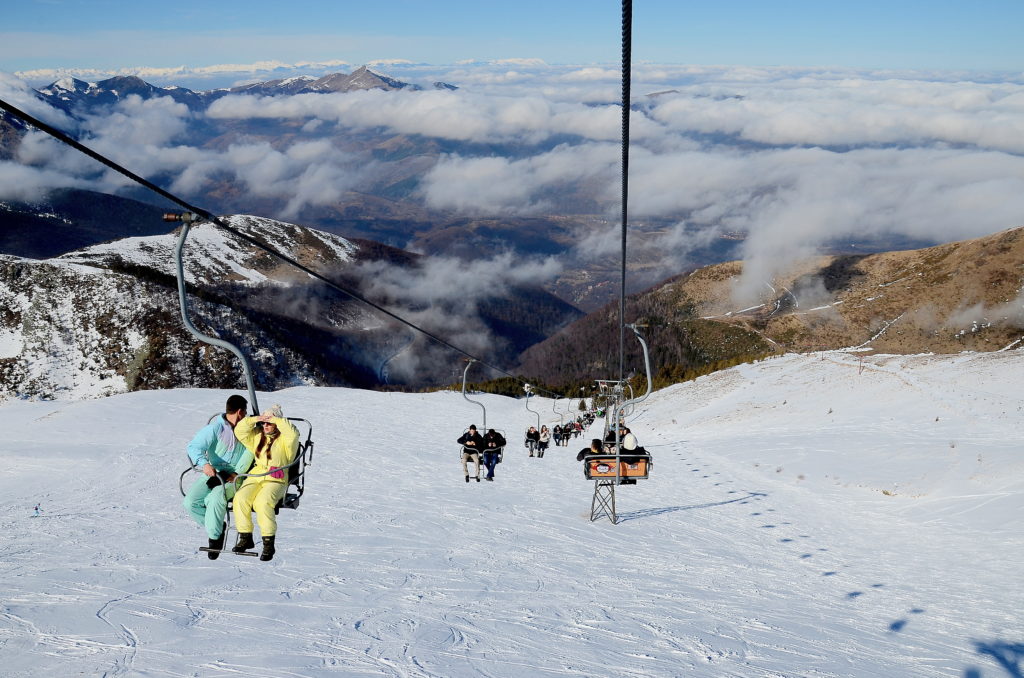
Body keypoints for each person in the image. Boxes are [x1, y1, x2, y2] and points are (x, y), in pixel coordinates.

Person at [183, 394, 253, 560]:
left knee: (215, 498)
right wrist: (205, 464)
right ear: (240, 412)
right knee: (190, 502)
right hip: (214, 472)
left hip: (234, 476)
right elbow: (194, 447)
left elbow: (251, 451)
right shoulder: (216, 429)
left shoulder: (247, 430)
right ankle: (216, 527)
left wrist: (236, 474)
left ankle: (214, 539)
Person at [231, 404, 300, 562]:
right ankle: (245, 537)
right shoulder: (256, 436)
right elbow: (239, 431)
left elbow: (293, 434)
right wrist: (256, 419)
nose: (266, 426)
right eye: (264, 423)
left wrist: (277, 419)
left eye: (269, 423)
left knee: (262, 503)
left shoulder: (286, 440)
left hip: (277, 477)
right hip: (257, 474)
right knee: (240, 498)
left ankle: (268, 543)